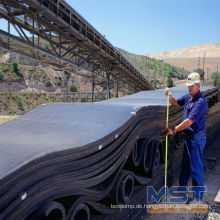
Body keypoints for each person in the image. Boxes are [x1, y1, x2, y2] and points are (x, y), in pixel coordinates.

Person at [164, 72, 207, 203]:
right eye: (188, 86)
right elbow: (175, 102)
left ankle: (198, 197)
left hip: (196, 138)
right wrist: (169, 95)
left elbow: (189, 121)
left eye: (192, 86)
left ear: (198, 85)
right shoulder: (189, 97)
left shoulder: (200, 102)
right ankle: (181, 192)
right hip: (189, 137)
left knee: (196, 167)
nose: (190, 88)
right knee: (186, 166)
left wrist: (173, 130)